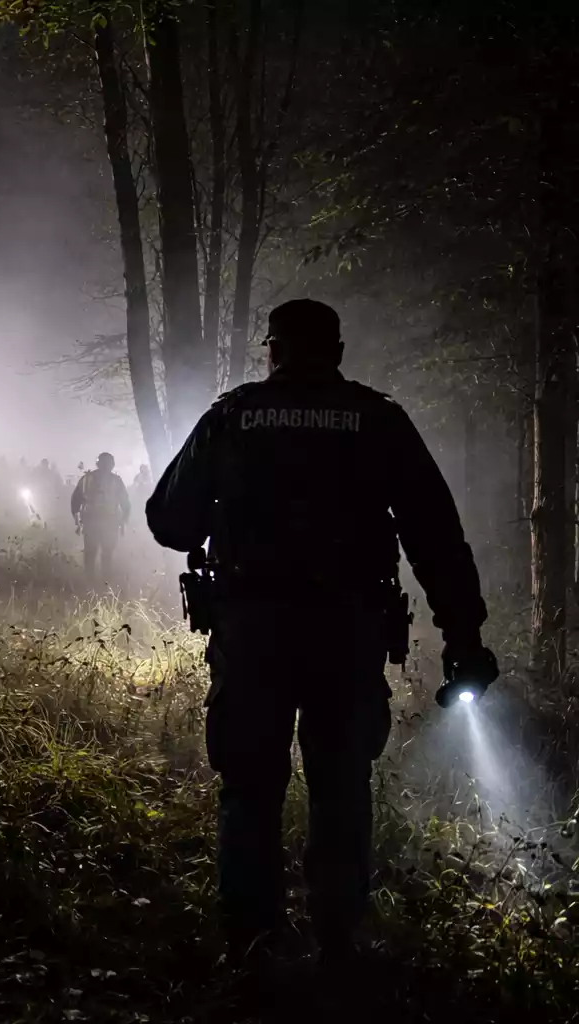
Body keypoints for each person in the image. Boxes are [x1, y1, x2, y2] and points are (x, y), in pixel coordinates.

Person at [145, 298, 497, 971]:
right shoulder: (378, 420)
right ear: (338, 351)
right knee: (341, 784)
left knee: (249, 787)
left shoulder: (232, 416)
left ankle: (252, 944)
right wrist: (464, 637)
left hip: (253, 634)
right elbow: (436, 536)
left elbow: (171, 523)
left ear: (271, 350)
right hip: (348, 633)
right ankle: (339, 941)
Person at [71, 452, 131, 580]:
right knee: (106, 553)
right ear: (112, 465)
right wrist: (124, 520)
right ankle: (105, 581)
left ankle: (90, 581)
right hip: (109, 522)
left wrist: (76, 519)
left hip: (92, 521)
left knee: (91, 553)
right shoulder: (116, 480)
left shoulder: (86, 479)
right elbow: (125, 502)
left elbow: (75, 500)